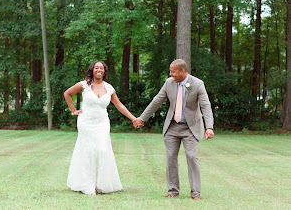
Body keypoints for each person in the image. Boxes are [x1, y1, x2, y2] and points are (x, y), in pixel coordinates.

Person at [133, 59, 214, 200]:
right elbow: (156, 101)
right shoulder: (168, 83)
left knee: (191, 156)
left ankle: (195, 193)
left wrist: (209, 127)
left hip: (191, 128)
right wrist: (142, 118)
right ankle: (173, 191)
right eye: (170, 71)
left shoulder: (197, 84)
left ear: (182, 71)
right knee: (170, 158)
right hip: (172, 126)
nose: (170, 74)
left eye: (173, 71)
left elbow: (206, 106)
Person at [64, 60, 136, 196]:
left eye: (101, 68)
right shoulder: (84, 85)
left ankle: (101, 184)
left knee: (102, 150)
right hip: (86, 122)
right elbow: (67, 93)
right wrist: (74, 110)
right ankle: (87, 184)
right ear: (92, 70)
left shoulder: (109, 88)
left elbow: (120, 106)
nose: (99, 70)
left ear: (104, 71)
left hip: (102, 123)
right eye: (96, 67)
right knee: (88, 151)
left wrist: (133, 118)